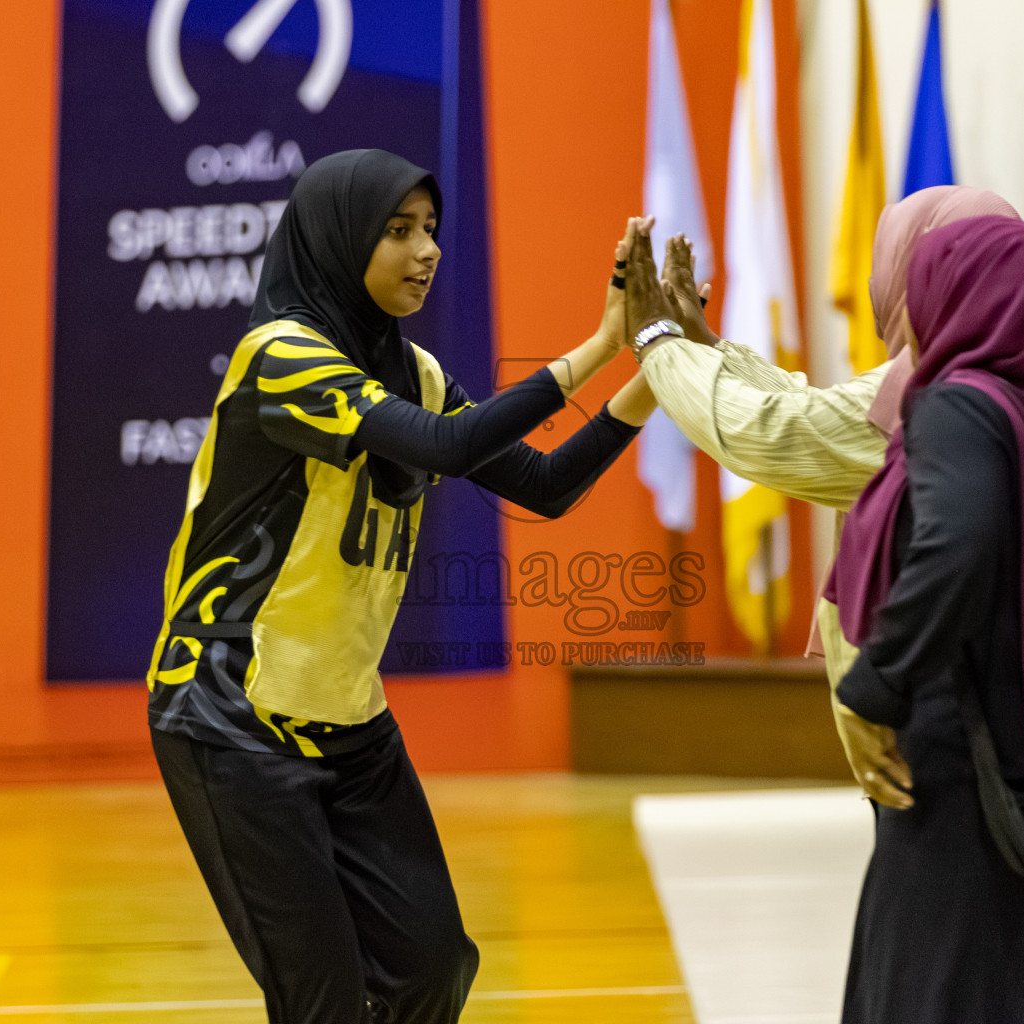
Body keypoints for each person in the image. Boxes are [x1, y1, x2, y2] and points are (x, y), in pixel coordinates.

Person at [145, 148, 653, 1024]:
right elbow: (450, 448)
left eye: (431, 231)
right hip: (229, 717)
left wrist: (659, 372)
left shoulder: (413, 370)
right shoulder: (281, 359)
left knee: (432, 968)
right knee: (323, 1000)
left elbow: (545, 487)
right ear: (341, 241)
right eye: (397, 231)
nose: (426, 251)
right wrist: (602, 344)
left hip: (349, 720)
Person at [825, 215, 1024, 1022]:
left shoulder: (960, 406)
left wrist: (875, 684)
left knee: (934, 984)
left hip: (962, 758)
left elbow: (956, 542)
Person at [622, 188, 1019, 783]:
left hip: (948, 724)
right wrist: (708, 348)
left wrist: (656, 342)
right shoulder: (1011, 366)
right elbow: (821, 414)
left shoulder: (934, 392)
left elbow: (776, 435)